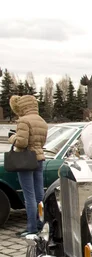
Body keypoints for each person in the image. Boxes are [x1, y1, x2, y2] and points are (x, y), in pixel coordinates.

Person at [8, 95, 48, 236]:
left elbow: (21, 143)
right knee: (39, 194)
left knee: (29, 195)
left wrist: (12, 137)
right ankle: (41, 224)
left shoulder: (24, 121)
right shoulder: (42, 121)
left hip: (25, 159)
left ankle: (31, 228)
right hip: (39, 158)